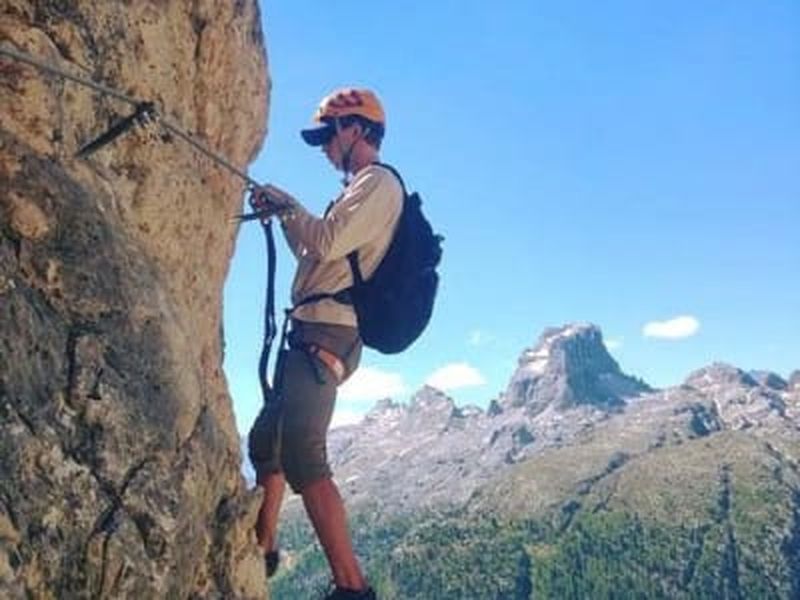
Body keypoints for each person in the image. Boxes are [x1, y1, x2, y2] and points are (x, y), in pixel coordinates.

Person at [247, 88, 403, 600]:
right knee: (266, 441)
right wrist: (285, 213)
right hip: (315, 329)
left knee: (302, 454)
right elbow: (315, 252)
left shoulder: (377, 183)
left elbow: (326, 242)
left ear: (354, 129)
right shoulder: (359, 190)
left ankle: (351, 587)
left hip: (327, 332)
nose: (323, 148)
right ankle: (264, 545)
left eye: (326, 137)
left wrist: (288, 205)